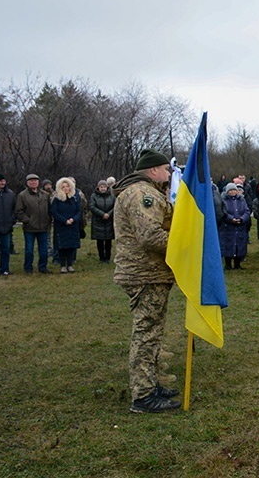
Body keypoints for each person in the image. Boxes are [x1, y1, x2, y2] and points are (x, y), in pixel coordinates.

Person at [112, 148, 181, 413]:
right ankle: (143, 395)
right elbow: (150, 236)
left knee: (152, 332)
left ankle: (151, 384)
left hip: (148, 272)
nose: (169, 174)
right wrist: (184, 246)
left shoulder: (143, 191)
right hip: (145, 273)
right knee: (146, 333)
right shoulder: (143, 194)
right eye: (166, 169)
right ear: (153, 170)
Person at [15, 173, 51, 274]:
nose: (33, 182)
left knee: (44, 250)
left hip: (43, 227)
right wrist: (27, 220)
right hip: (29, 228)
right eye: (31, 181)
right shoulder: (22, 195)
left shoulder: (45, 195)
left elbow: (49, 209)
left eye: (35, 180)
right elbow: (18, 211)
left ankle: (43, 267)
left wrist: (48, 220)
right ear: (27, 183)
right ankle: (28, 268)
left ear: (38, 182)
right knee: (29, 250)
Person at [51, 178, 83, 273]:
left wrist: (73, 219)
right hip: (61, 226)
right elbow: (54, 212)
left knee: (71, 245)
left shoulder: (75, 198)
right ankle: (62, 265)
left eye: (67, 186)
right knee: (62, 246)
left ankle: (70, 264)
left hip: (73, 225)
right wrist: (64, 221)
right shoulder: (57, 199)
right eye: (63, 187)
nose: (65, 188)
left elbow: (79, 211)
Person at [219, 182, 250, 270]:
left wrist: (242, 219)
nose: (233, 192)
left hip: (240, 226)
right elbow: (223, 212)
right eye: (231, 190)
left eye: (234, 190)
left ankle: (237, 264)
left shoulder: (242, 200)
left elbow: (247, 211)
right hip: (228, 227)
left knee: (239, 245)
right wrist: (231, 219)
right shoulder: (223, 200)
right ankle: (228, 264)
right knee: (228, 245)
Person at [89, 180, 116, 263]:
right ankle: (101, 258)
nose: (103, 188)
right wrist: (102, 214)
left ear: (107, 187)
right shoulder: (94, 196)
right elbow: (92, 206)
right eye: (101, 187)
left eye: (104, 187)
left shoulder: (112, 195)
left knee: (108, 241)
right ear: (98, 187)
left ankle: (108, 257)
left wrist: (108, 214)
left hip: (109, 221)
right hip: (98, 221)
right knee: (99, 241)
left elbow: (115, 206)